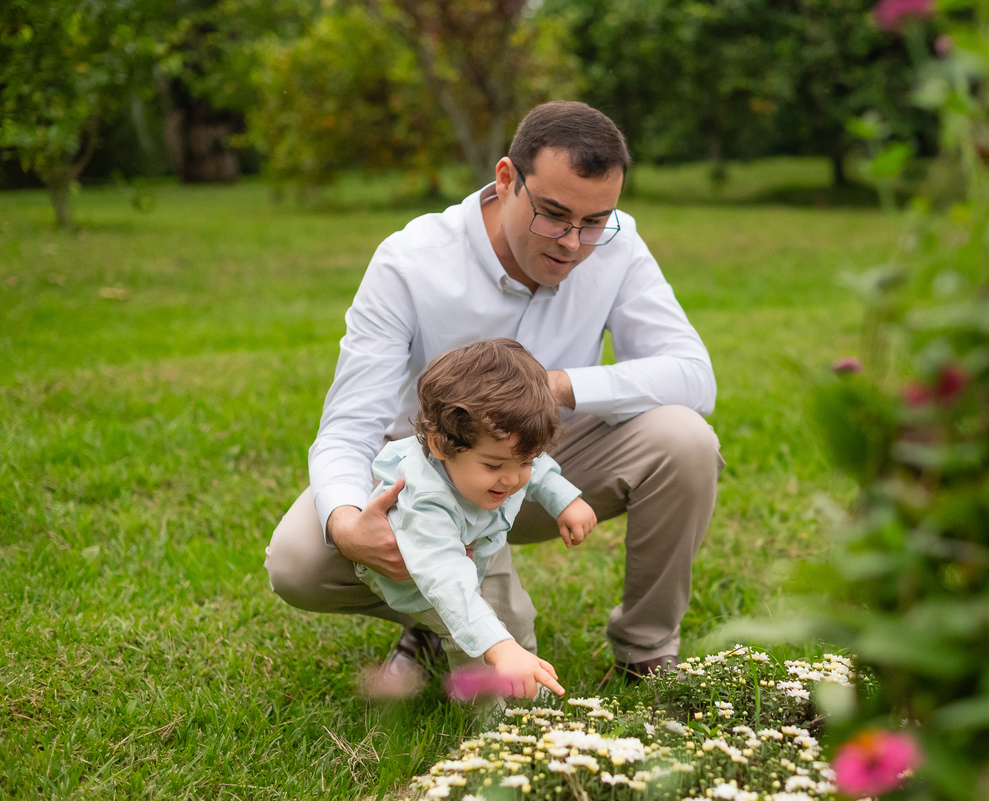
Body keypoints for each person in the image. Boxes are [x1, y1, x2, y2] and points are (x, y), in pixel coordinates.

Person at [265, 100, 723, 686]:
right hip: (428, 479)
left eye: (594, 221)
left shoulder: (618, 242)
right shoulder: (411, 261)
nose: (573, 243)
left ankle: (646, 650)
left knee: (684, 439)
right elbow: (350, 426)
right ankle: (439, 615)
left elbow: (692, 374)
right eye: (554, 215)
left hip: (543, 462)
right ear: (507, 180)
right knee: (298, 561)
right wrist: (349, 522)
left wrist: (554, 387)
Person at [356, 338, 595, 699]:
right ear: (440, 445)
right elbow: (447, 581)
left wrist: (564, 499)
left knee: (514, 619)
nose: (512, 478)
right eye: (494, 465)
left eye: (524, 463)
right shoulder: (424, 500)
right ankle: (496, 728)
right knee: (474, 640)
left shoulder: (504, 457)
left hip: (482, 545)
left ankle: (529, 691)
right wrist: (497, 647)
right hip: (421, 576)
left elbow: (535, 463)